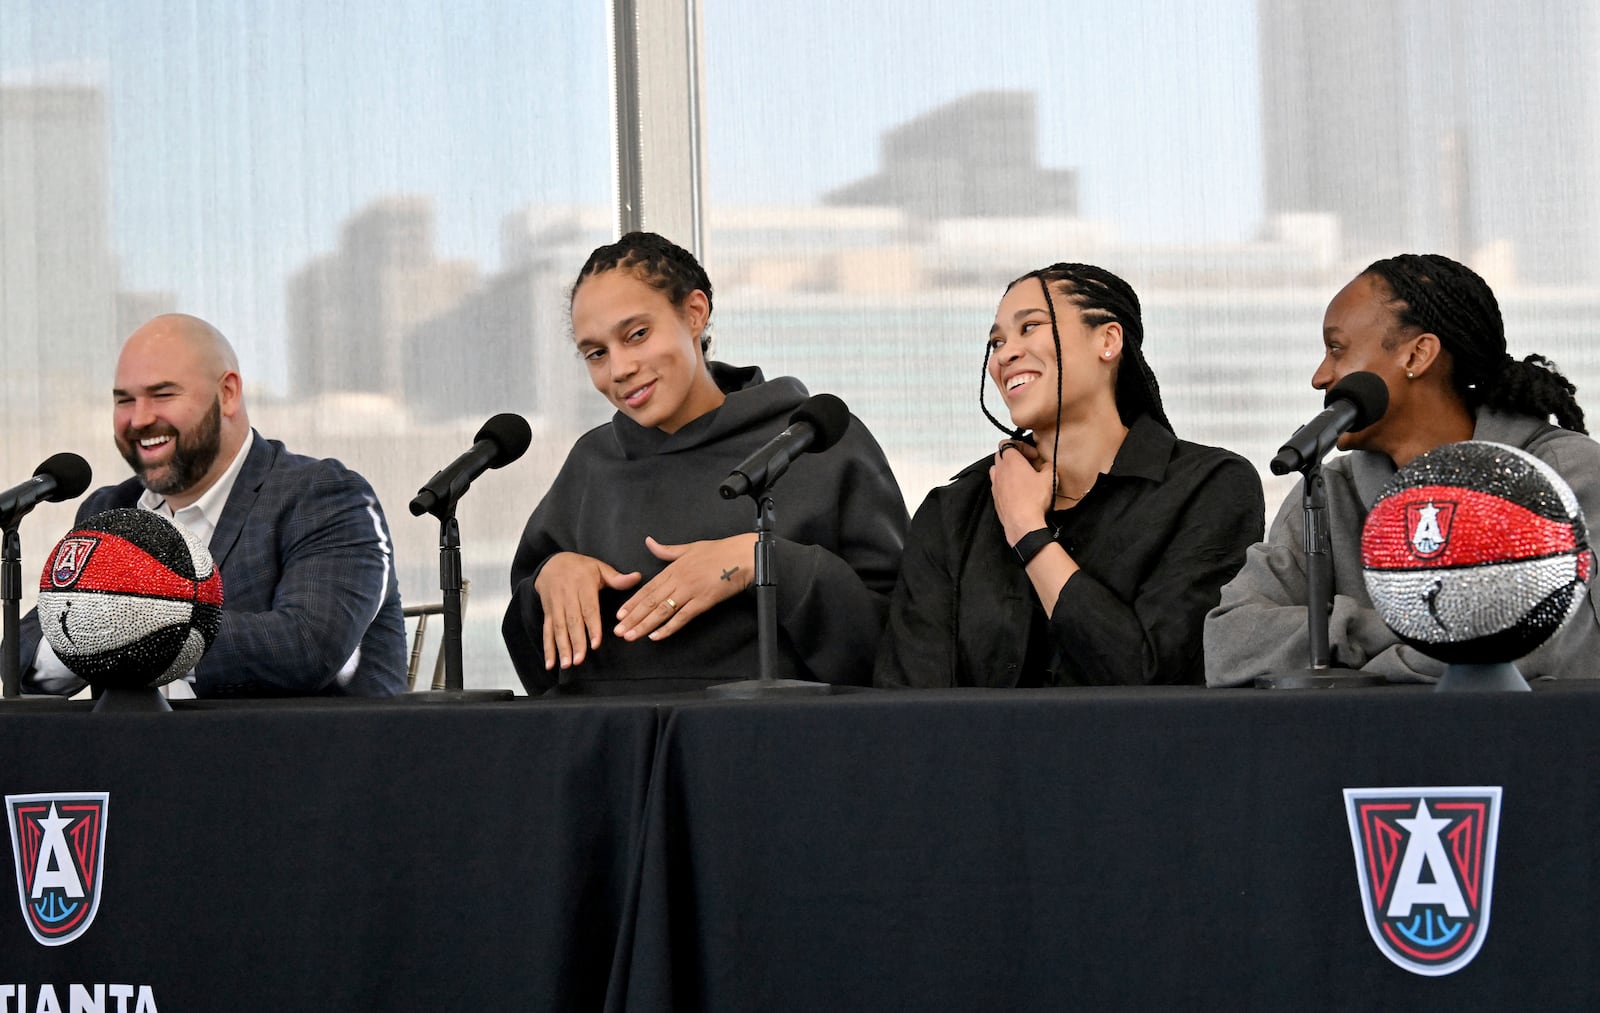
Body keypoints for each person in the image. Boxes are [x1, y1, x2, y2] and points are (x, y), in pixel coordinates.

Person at [502, 231, 907, 694]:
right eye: (596, 353)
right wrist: (549, 581)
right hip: (616, 755)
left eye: (637, 335)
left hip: (783, 751)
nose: (618, 369)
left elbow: (900, 644)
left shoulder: (816, 441)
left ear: (694, 313)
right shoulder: (590, 464)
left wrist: (762, 562)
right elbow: (540, 665)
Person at [1206, 253, 1600, 685]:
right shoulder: (1329, 490)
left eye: (1337, 349)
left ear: (1418, 354)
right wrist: (1392, 629)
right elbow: (1229, 643)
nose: (1320, 377)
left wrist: (1350, 661)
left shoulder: (1567, 473)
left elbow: (1555, 653)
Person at [873, 263, 1264, 688]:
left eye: (1030, 328)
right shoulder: (952, 513)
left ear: (1108, 340)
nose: (1004, 354)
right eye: (997, 341)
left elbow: (1154, 681)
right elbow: (909, 709)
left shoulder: (1210, 488)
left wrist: (1028, 533)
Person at [22, 313, 407, 697]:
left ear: (228, 393)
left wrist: (114, 625)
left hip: (291, 753)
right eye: (124, 400)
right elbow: (23, 655)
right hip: (129, 754)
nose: (139, 418)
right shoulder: (109, 509)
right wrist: (98, 634)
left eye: (163, 394)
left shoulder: (324, 495)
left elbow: (306, 645)